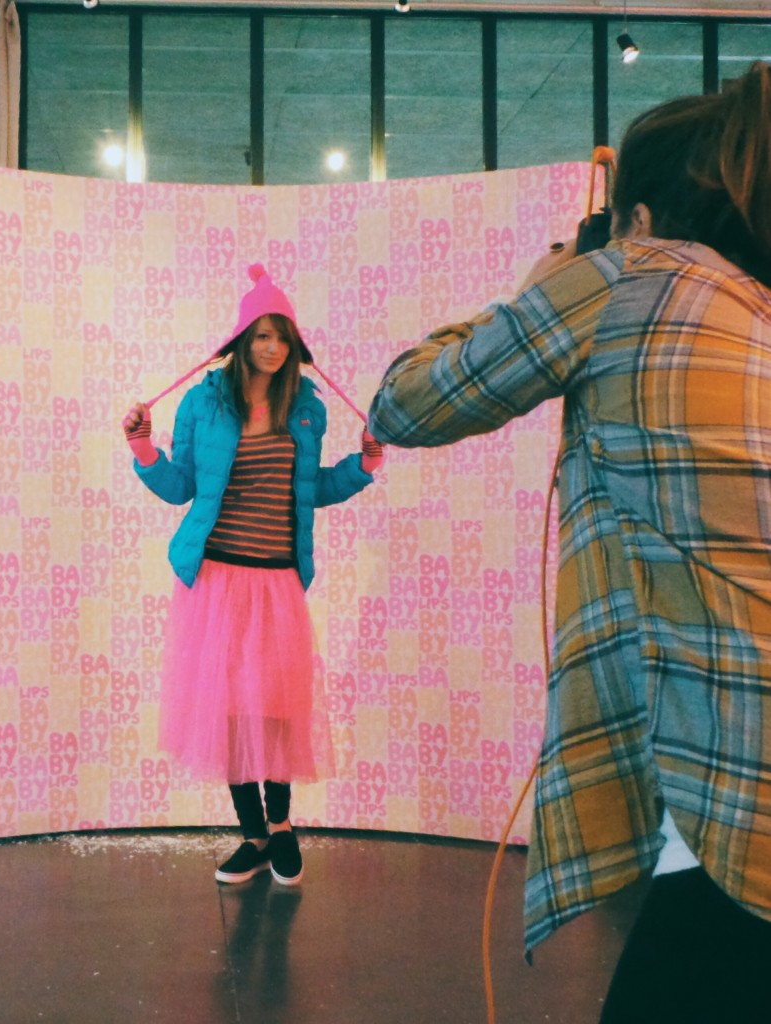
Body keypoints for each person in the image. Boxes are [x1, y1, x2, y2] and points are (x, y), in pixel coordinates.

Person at [367, 62, 771, 1023]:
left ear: (639, 215)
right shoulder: (756, 311)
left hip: (735, 765)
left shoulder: (629, 274)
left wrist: (537, 287)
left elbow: (406, 402)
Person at [123, 263, 383, 886]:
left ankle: (283, 825)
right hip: (216, 581)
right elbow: (181, 485)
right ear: (241, 339)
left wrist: (365, 465)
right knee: (230, 709)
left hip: (276, 581)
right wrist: (143, 449)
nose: (272, 348)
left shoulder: (306, 408)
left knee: (276, 706)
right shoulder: (203, 402)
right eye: (263, 335)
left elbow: (312, 490)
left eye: (283, 337)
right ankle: (254, 835)